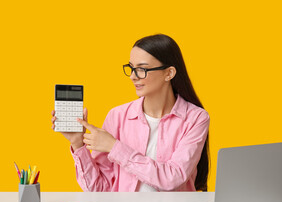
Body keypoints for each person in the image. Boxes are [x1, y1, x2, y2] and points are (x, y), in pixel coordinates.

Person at [51, 34, 210, 192]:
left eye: (141, 69)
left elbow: (173, 177)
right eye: (131, 68)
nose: (133, 76)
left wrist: (115, 147)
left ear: (169, 73)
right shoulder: (117, 116)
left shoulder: (196, 118)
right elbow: (99, 189)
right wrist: (78, 144)